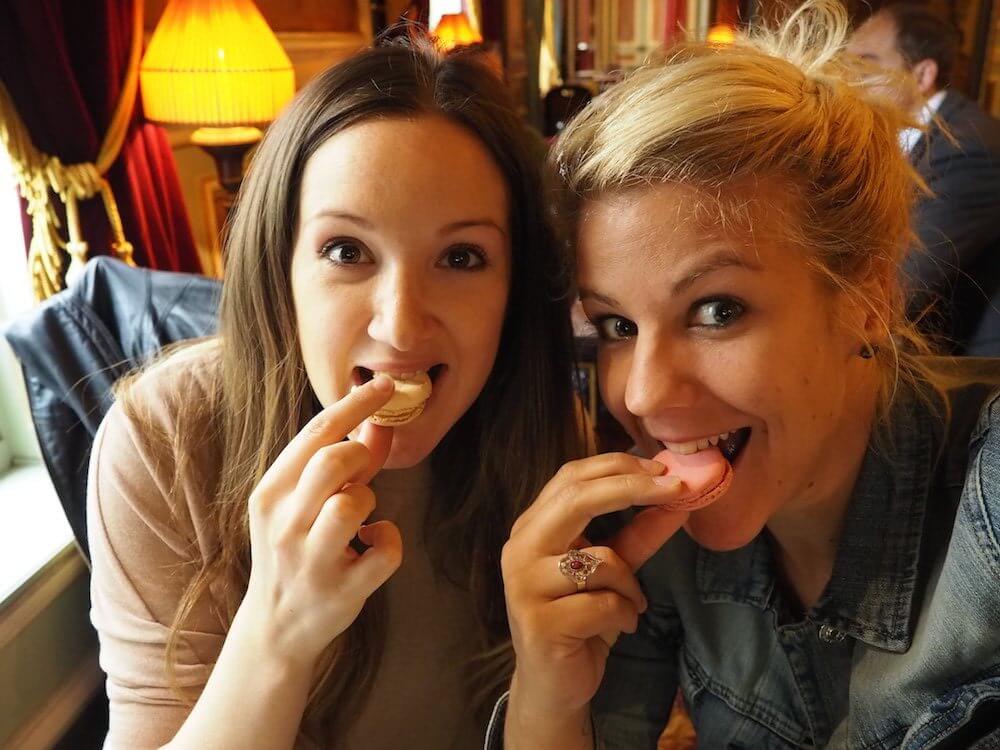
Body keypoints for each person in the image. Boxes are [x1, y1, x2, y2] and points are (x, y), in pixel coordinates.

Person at [493, 1, 1000, 748]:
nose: (643, 396)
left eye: (717, 310)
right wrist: (548, 694)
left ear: (868, 296)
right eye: (617, 327)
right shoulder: (649, 543)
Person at [87, 41, 583, 749]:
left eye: (461, 257)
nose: (401, 322)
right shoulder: (163, 437)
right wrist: (277, 634)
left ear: (515, 286)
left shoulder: (542, 427)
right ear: (279, 266)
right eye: (347, 251)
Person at [849, 2, 1000, 355]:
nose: (848, 80)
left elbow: (902, 285)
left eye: (864, 66)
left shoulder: (969, 150)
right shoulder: (901, 135)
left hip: (969, 372)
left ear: (922, 76)